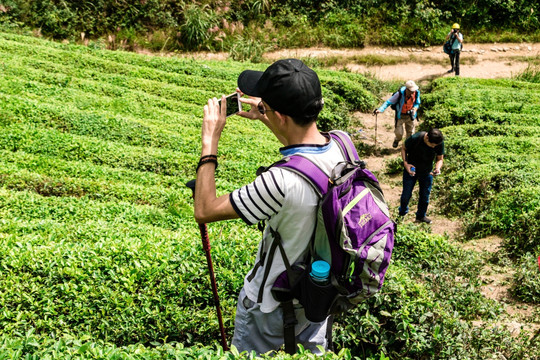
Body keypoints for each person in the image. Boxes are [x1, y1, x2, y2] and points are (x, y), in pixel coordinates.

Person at [193, 59, 346, 355]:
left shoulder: (279, 182)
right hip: (318, 296)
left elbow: (205, 209)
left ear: (281, 115)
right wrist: (266, 117)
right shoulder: (342, 143)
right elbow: (305, 152)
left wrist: (210, 139)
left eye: (265, 106)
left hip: (272, 308)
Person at [398, 128, 445, 224]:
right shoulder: (416, 138)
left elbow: (440, 158)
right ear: (427, 138)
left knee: (424, 196)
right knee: (406, 195)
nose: (433, 147)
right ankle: (402, 214)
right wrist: (406, 164)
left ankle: (420, 216)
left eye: (435, 146)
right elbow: (403, 148)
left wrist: (437, 168)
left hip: (427, 172)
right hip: (411, 170)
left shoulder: (438, 142)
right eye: (432, 145)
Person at [374, 80, 421, 148]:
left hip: (410, 116)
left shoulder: (416, 93)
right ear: (406, 89)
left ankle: (407, 146)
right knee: (399, 133)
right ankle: (397, 140)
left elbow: (417, 103)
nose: (412, 92)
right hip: (400, 116)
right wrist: (380, 109)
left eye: (413, 91)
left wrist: (415, 109)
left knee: (410, 133)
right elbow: (388, 102)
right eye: (411, 91)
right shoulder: (399, 94)